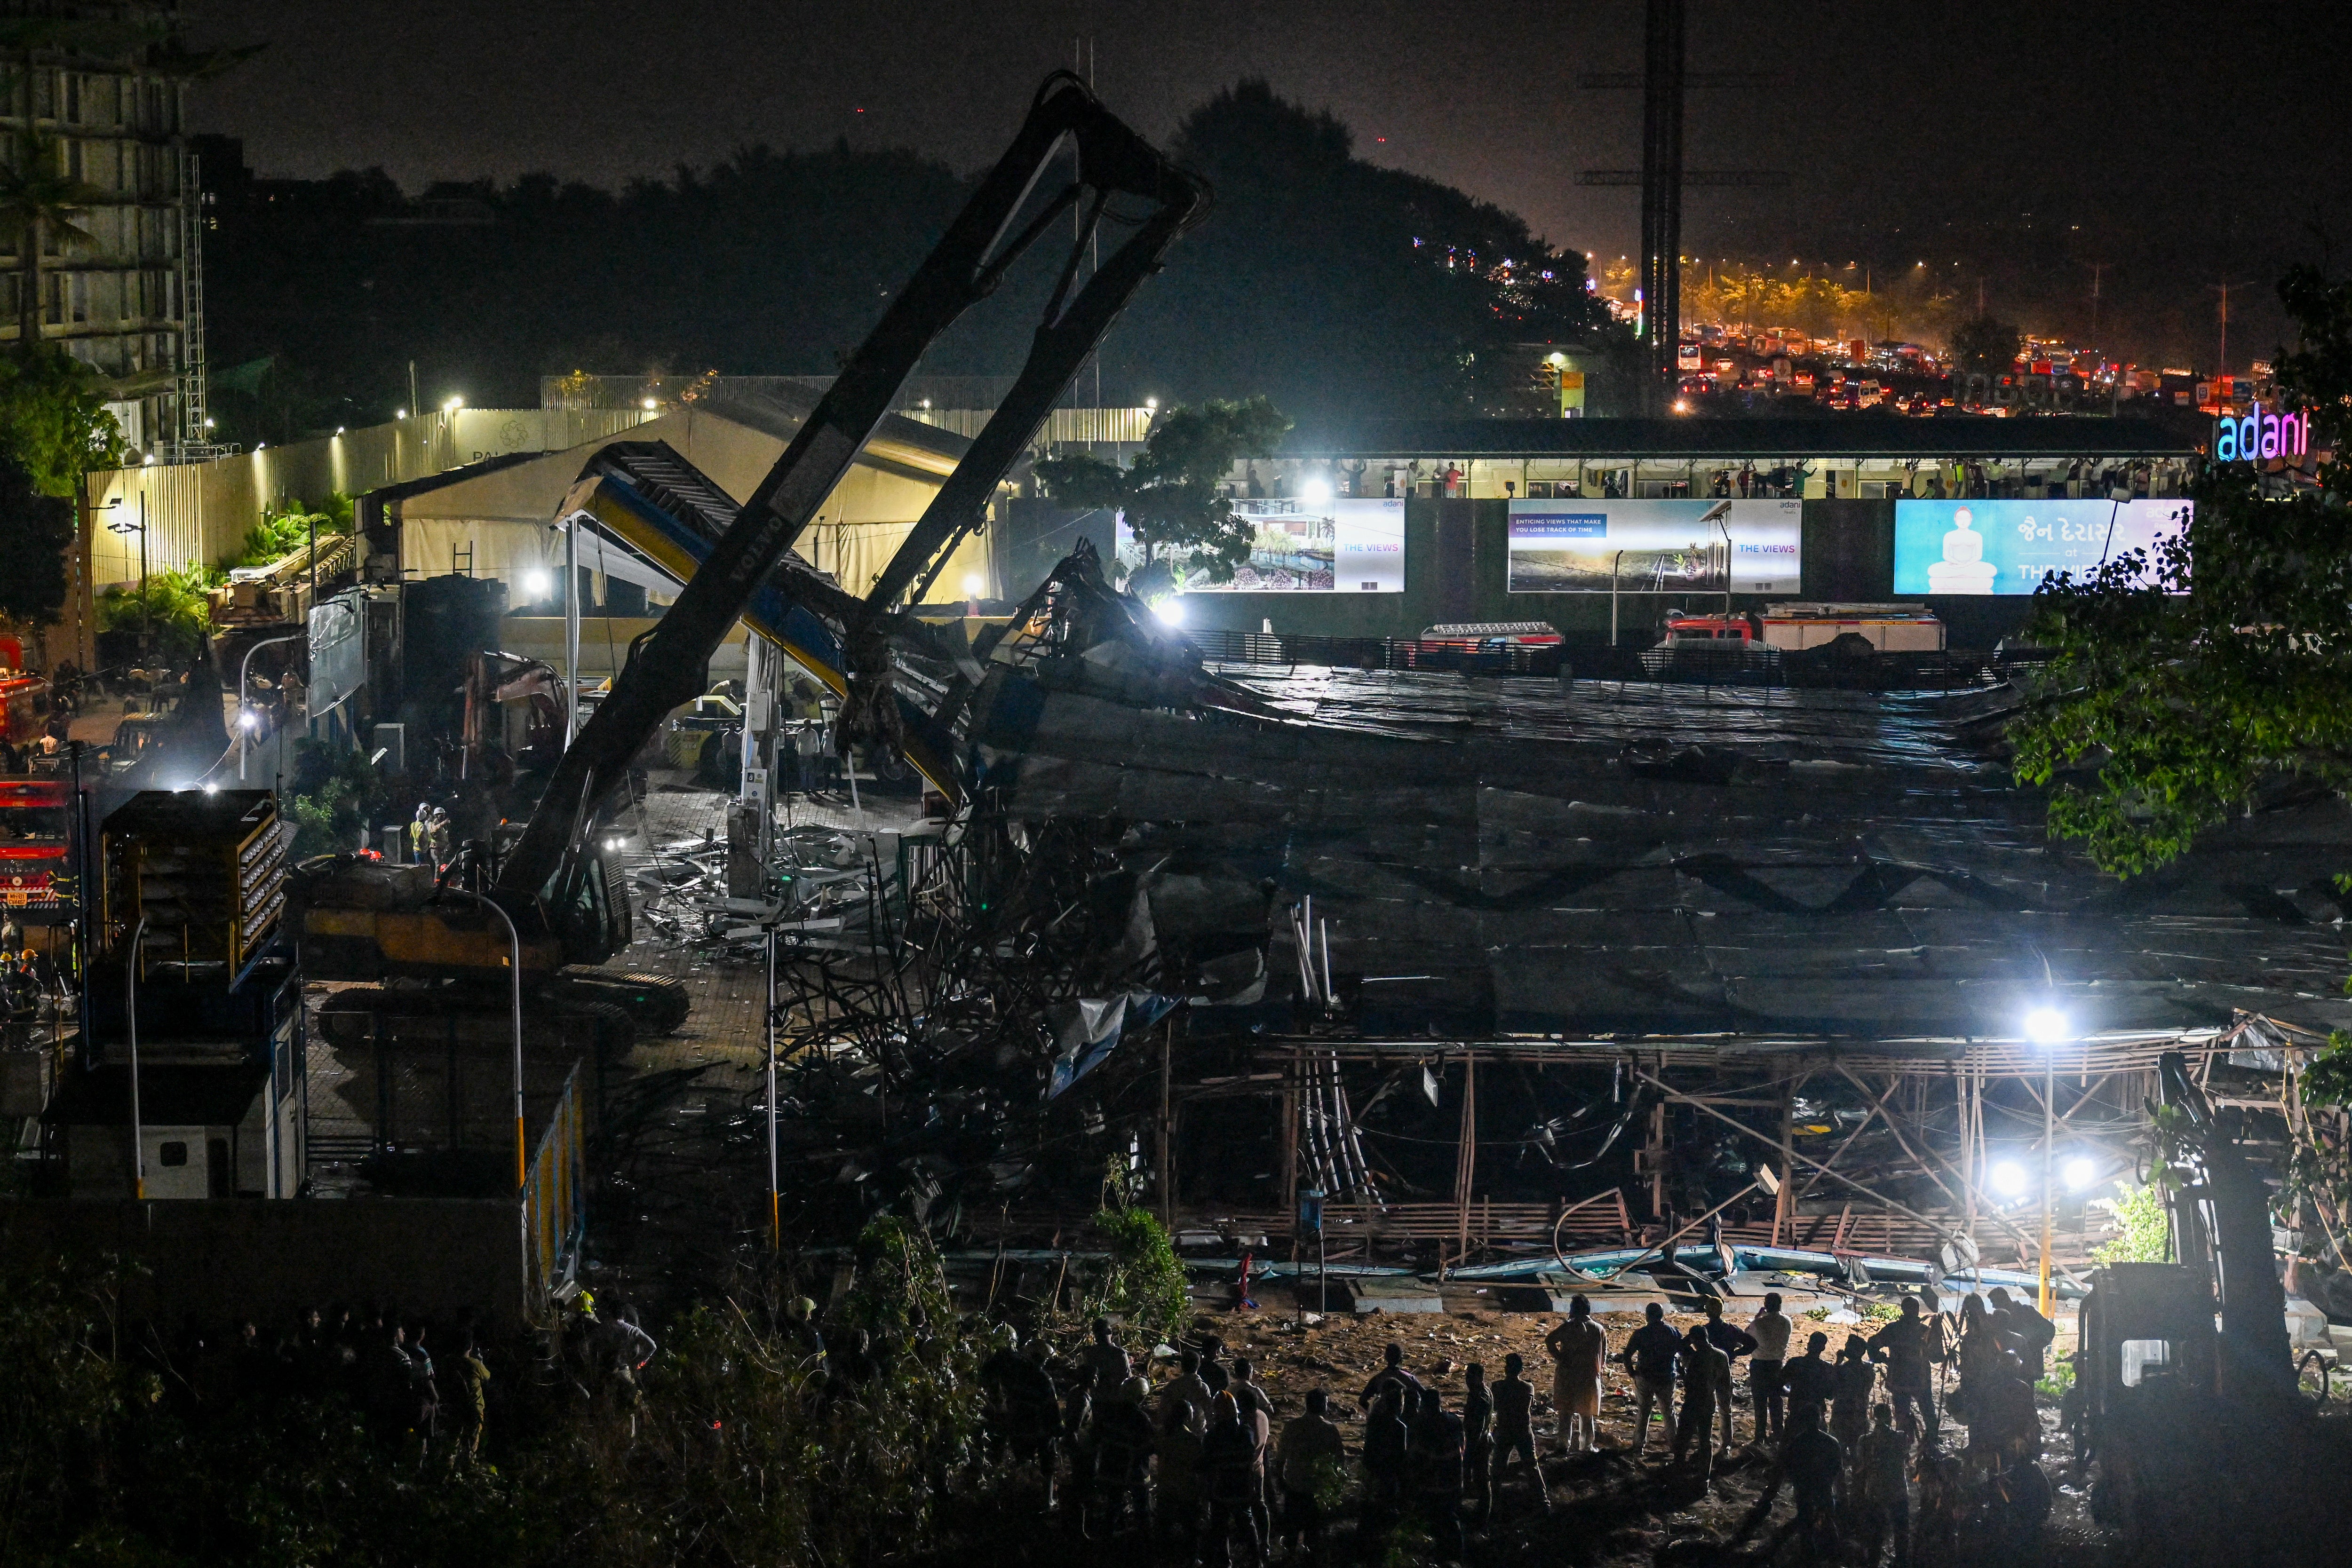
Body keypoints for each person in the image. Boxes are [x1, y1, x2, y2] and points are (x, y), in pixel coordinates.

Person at [1275, 1388, 1345, 1564]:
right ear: (1323, 1406)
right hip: (1317, 1489)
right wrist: (1336, 1487)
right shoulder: (1330, 1430)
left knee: (1292, 1530)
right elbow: (1340, 1462)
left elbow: (1280, 1458)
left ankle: (1288, 1558)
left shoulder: (1292, 1426)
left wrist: (1280, 1480)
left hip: (1295, 1485)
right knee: (1314, 1534)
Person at [1085, 1375, 1157, 1538]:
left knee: (1113, 1506)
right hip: (1135, 1472)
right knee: (1142, 1508)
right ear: (1141, 1397)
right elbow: (1152, 1446)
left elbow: (1095, 1437)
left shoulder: (1109, 1414)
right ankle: (1145, 1540)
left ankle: (1106, 1537)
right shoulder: (1141, 1419)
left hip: (1111, 1469)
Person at [1201, 1391, 1266, 1568]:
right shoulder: (1245, 1432)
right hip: (1241, 1488)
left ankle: (1225, 1562)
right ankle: (1256, 1560)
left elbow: (1205, 1464)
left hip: (1219, 1489)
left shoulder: (1212, 1437)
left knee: (1220, 1528)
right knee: (1246, 1522)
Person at [1866, 1296, 1940, 1440]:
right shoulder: (1925, 1331)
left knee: (1903, 1412)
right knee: (1927, 1410)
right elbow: (1936, 1358)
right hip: (1919, 1380)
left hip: (1900, 1379)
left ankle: (1904, 1439)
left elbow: (1872, 1343)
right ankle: (1932, 1438)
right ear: (1917, 1310)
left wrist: (1881, 1359)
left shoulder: (1893, 1329)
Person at [1407, 1384, 1466, 1562]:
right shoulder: (1454, 1421)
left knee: (1431, 1523)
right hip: (1453, 1482)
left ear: (1424, 1406)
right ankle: (1457, 1557)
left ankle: (1433, 1559)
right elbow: (1461, 1448)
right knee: (1451, 1520)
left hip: (1430, 1483)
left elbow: (1415, 1452)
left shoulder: (1421, 1425)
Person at [1545, 1295, 1607, 1455]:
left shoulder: (1568, 1327)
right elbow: (1604, 1355)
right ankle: (1586, 1446)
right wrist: (1597, 1369)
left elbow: (1549, 1341)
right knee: (1587, 1414)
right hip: (1589, 1376)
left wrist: (1560, 1357)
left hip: (1568, 1375)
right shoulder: (1598, 1329)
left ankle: (1563, 1445)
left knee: (1566, 1412)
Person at [1697, 1298, 1758, 1451]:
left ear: (1707, 1312)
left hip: (1707, 1373)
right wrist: (1736, 1354)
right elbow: (1752, 1344)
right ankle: (1727, 1444)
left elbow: (1684, 1345)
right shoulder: (1731, 1329)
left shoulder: (1705, 1331)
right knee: (1725, 1410)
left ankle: (1706, 1443)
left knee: (1707, 1410)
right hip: (1725, 1370)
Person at [1854, 1402, 1911, 1566]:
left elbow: (1860, 1467)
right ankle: (1901, 1562)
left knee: (1875, 1535)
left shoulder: (1864, 1441)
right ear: (1890, 1417)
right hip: (1898, 1491)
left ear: (1874, 1418)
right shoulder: (1900, 1437)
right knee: (1901, 1533)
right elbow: (1905, 1453)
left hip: (1875, 1492)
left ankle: (1874, 1563)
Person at [1624, 1301, 1683, 1457]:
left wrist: (1632, 1372)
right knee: (1669, 1412)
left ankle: (1638, 1446)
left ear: (1647, 1316)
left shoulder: (1641, 1333)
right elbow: (1682, 1352)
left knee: (1643, 1412)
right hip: (1666, 1377)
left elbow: (1627, 1354)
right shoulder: (1673, 1332)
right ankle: (1675, 1446)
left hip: (1645, 1376)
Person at [1490, 1352, 1547, 1512]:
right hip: (1523, 1429)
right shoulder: (1528, 1387)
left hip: (1504, 1429)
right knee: (1532, 1466)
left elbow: (1495, 1407)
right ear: (1521, 1370)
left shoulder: (1498, 1387)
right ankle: (1543, 1501)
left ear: (1506, 1369)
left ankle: (1493, 1502)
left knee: (1498, 1466)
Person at [1673, 1325, 1731, 1481]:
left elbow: (1690, 1382)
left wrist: (1682, 1371)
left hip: (1694, 1401)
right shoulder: (1721, 1355)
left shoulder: (1696, 1357)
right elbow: (1726, 1382)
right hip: (1709, 1400)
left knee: (1683, 1438)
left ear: (1694, 1340)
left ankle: (1678, 1471)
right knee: (1706, 1440)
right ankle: (1705, 1476)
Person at [1360, 1384, 1409, 1532]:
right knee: (1388, 1510)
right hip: (1390, 1474)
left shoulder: (1375, 1422)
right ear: (1399, 1405)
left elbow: (1368, 1447)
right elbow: (1402, 1456)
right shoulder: (1400, 1427)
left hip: (1374, 1470)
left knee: (1370, 1508)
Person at [1748, 1292, 1795, 1442]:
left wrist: (1758, 1317)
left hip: (1759, 1365)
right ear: (1780, 1305)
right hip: (1776, 1365)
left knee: (1760, 1401)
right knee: (1776, 1400)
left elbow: (1747, 1335)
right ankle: (1778, 1432)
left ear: (1765, 1306)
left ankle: (1760, 1435)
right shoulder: (1787, 1322)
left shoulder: (1758, 1324)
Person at [1986, 1286, 2055, 1383]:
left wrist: (2035, 1345)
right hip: (2009, 1370)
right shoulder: (2000, 1318)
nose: (1993, 1307)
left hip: (2028, 1368)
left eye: (1994, 1302)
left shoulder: (2027, 1312)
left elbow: (2049, 1329)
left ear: (2003, 1300)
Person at [1782, 1331, 1837, 1434]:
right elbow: (1830, 1395)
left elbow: (1779, 1385)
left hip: (1796, 1413)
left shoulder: (1795, 1363)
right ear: (1823, 1348)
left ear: (1808, 1345)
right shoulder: (1827, 1368)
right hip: (1817, 1415)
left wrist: (1792, 1393)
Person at [449, 1331, 491, 1459]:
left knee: (453, 1440)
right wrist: (481, 1361)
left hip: (455, 1406)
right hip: (474, 1408)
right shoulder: (475, 1364)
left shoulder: (449, 1362)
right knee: (472, 1442)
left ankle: (449, 1468)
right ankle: (469, 1466)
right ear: (470, 1347)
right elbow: (487, 1377)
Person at [1462, 1362, 1495, 1520]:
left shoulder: (1480, 1398)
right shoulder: (1479, 1393)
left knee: (1481, 1481)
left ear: (1480, 1378)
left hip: (1479, 1443)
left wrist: (1469, 1451)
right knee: (1481, 1480)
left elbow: (1479, 1429)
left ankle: (1483, 1519)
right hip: (1480, 1441)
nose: (1467, 1380)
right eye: (1467, 1376)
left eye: (1471, 1376)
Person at [1833, 1336, 1876, 1454]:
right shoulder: (1868, 1369)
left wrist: (1838, 1363)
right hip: (1859, 1414)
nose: (1846, 1347)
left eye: (1848, 1345)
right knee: (1858, 1452)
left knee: (1838, 1449)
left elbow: (1833, 1385)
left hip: (1843, 1415)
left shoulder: (1844, 1370)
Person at [1359, 1341, 1422, 1411]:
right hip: (1407, 1416)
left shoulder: (1378, 1379)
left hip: (1385, 1415)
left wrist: (1374, 1413)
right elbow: (1426, 1396)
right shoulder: (1410, 1378)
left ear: (1386, 1358)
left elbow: (1362, 1401)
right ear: (1401, 1358)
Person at [1164, 1346, 1214, 1425]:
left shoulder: (1172, 1386)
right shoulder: (1203, 1387)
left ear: (1182, 1366)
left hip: (1176, 1430)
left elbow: (1164, 1411)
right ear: (1199, 1365)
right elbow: (1209, 1413)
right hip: (1198, 1431)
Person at [1081, 1316, 1130, 1395]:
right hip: (1116, 1400)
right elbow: (1128, 1380)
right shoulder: (1120, 1354)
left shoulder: (1089, 1353)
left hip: (1095, 1400)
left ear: (1095, 1335)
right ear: (1110, 1332)